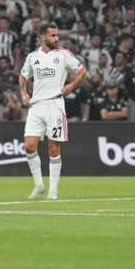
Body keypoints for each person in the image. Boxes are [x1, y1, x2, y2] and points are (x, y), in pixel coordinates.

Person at [19, 23, 86, 201]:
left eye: (57, 35)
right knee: (29, 146)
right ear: (42, 37)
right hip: (36, 106)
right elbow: (23, 76)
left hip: (55, 105)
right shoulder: (33, 57)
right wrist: (24, 93)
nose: (57, 39)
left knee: (53, 147)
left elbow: (81, 70)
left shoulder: (63, 54)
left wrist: (72, 85)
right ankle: (39, 185)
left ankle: (53, 191)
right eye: (53, 36)